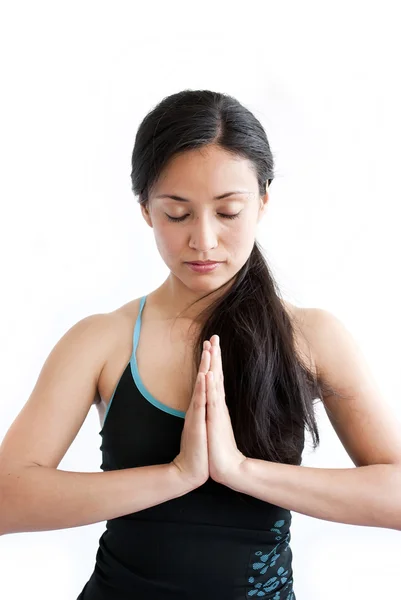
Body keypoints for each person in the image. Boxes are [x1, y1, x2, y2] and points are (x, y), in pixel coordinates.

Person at [1, 89, 401, 600]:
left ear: (263, 201)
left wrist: (241, 471)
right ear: (146, 208)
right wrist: (176, 475)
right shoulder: (102, 339)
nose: (204, 240)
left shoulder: (311, 337)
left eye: (229, 212)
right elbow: (6, 499)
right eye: (177, 214)